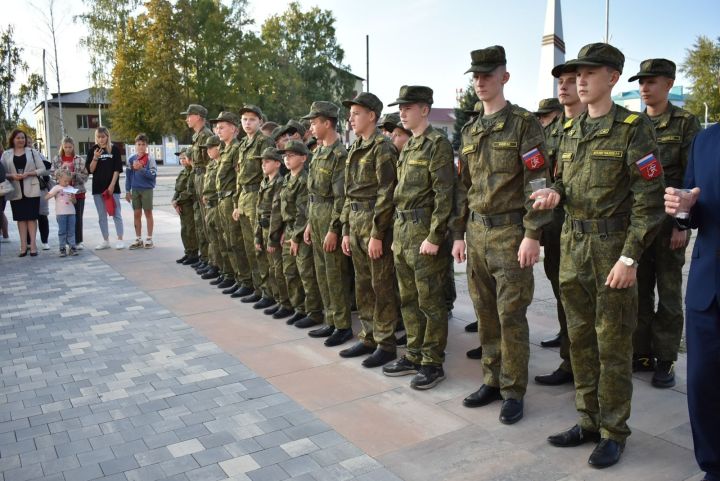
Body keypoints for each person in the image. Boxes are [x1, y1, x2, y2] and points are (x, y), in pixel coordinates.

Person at [532, 43, 665, 469]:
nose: (579, 81)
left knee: (612, 345)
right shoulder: (569, 132)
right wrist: (555, 193)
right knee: (580, 340)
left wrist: (630, 258)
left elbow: (650, 200)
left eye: (590, 73)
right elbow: (565, 184)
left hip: (612, 252)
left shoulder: (631, 129)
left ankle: (613, 431)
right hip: (572, 247)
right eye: (575, 74)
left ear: (612, 77)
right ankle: (588, 420)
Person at [451, 46, 551, 425]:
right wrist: (458, 233)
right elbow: (464, 186)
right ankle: (491, 380)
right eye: (475, 76)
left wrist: (532, 234)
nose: (480, 81)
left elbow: (537, 181)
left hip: (511, 233)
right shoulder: (470, 129)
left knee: (511, 316)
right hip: (476, 233)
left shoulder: (524, 123)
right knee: (485, 314)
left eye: (487, 75)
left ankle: (513, 390)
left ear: (504, 77)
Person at [629, 59, 701, 387]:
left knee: (669, 294)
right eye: (642, 82)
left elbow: (692, 177)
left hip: (670, 225)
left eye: (652, 81)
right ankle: (641, 352)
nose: (645, 87)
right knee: (639, 292)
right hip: (642, 225)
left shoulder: (686, 123)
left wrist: (681, 227)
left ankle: (666, 359)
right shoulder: (633, 124)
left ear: (669, 84)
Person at [380, 86, 454, 389]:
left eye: (408, 107)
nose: (402, 112)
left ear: (425, 109)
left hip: (424, 232)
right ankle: (413, 352)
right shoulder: (409, 146)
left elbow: (444, 195)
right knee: (408, 298)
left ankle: (432, 362)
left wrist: (435, 237)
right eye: (401, 107)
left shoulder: (437, 144)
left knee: (430, 301)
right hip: (403, 232)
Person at [664, 123, 720, 481]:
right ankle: (713, 468)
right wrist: (683, 210)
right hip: (708, 288)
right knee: (702, 386)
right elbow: (697, 209)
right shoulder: (706, 139)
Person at [534, 62, 587, 386]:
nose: (564, 87)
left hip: (589, 232)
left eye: (572, 81)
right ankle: (569, 361)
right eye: (561, 83)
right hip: (556, 228)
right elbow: (539, 175)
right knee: (563, 292)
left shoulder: (594, 125)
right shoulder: (552, 133)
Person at [339, 92, 400, 368]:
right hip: (356, 222)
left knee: (381, 285)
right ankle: (368, 336)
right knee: (363, 284)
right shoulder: (354, 148)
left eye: (356, 113)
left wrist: (377, 233)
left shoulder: (383, 148)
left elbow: (387, 194)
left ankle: (386, 343)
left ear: (372, 116)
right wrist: (346, 231)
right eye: (351, 114)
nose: (351, 118)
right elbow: (349, 195)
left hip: (375, 225)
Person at [301, 101, 354, 345]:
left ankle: (342, 326)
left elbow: (340, 197)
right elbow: (314, 193)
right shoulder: (318, 152)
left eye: (314, 122)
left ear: (327, 123)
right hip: (317, 215)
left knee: (335, 275)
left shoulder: (339, 155)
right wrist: (311, 224)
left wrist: (334, 229)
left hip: (331, 216)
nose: (311, 127)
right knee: (322, 273)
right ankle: (331, 320)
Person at [233, 105, 276, 303]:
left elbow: (268, 175)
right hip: (244, 198)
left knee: (259, 247)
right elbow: (239, 176)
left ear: (259, 121)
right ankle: (256, 287)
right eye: (244, 119)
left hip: (257, 198)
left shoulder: (264, 141)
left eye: (251, 119)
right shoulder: (242, 144)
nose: (247, 123)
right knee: (249, 247)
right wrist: (236, 204)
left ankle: (268, 292)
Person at [278, 140, 324, 327]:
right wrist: (284, 232)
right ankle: (299, 308)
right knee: (290, 272)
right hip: (289, 229)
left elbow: (303, 212)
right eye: (285, 156)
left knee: (306, 273)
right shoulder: (288, 178)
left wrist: (296, 237)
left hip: (300, 232)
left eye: (291, 156)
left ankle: (313, 312)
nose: (287, 159)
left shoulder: (304, 180)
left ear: (303, 158)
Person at [255, 147, 293, 317]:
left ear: (277, 163)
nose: (263, 164)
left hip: (274, 230)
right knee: (270, 267)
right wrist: (257, 236)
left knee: (279, 270)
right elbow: (259, 210)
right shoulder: (264, 182)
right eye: (262, 161)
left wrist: (272, 238)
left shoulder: (280, 183)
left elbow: (277, 213)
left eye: (267, 161)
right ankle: (277, 299)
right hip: (263, 228)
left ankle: (285, 303)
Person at [0, 129, 47, 256]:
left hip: (31, 188)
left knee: (32, 218)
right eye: (18, 138)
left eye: (23, 138)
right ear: (13, 140)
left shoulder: (32, 152)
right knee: (21, 219)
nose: (21, 140)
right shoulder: (6, 154)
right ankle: (22, 246)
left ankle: (33, 245)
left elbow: (42, 169)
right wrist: (12, 176)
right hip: (15, 189)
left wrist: (29, 173)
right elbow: (2, 173)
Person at [180, 104, 213, 271]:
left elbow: (210, 163)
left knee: (207, 222)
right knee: (200, 222)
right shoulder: (196, 137)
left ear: (199, 116)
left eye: (189, 115)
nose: (187, 119)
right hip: (197, 177)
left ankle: (210, 260)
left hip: (205, 179)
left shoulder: (207, 136)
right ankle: (204, 257)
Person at [86, 126, 124, 250]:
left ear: (107, 136)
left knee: (116, 214)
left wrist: (112, 185)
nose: (101, 140)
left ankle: (120, 239)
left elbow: (117, 169)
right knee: (101, 216)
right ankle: (105, 240)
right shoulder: (93, 150)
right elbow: (90, 170)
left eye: (103, 137)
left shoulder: (114, 149)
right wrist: (95, 157)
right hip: (98, 188)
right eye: (98, 137)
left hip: (113, 188)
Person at [52, 137, 89, 250]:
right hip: (63, 194)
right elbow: (52, 174)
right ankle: (65, 241)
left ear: (73, 147)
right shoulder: (57, 159)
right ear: (62, 147)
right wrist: (61, 173)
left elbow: (86, 176)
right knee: (63, 218)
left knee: (77, 218)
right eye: (65, 147)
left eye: (70, 147)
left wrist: (75, 175)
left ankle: (77, 241)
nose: (68, 149)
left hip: (77, 193)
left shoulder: (79, 159)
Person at [125, 133, 158, 249]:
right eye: (139, 144)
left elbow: (153, 175)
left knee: (148, 212)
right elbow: (128, 176)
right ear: (135, 145)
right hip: (135, 189)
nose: (141, 147)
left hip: (147, 189)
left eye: (143, 144)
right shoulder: (131, 159)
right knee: (136, 213)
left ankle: (149, 238)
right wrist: (127, 191)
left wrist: (142, 169)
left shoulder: (150, 159)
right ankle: (138, 239)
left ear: (146, 146)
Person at [172, 148, 198, 265]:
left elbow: (189, 191)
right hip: (182, 205)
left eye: (184, 157)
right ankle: (188, 252)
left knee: (191, 230)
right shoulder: (182, 173)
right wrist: (174, 201)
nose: (182, 160)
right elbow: (177, 189)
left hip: (189, 204)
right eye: (180, 158)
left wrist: (177, 201)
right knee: (184, 230)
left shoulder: (193, 171)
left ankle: (193, 254)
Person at [45, 169, 78, 257]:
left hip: (71, 212)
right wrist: (54, 193)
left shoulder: (71, 188)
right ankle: (62, 248)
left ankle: (72, 247)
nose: (67, 183)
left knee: (71, 231)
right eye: (65, 181)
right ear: (59, 179)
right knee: (62, 231)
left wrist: (73, 199)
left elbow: (75, 202)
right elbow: (46, 197)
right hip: (61, 213)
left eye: (68, 181)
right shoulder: (56, 188)